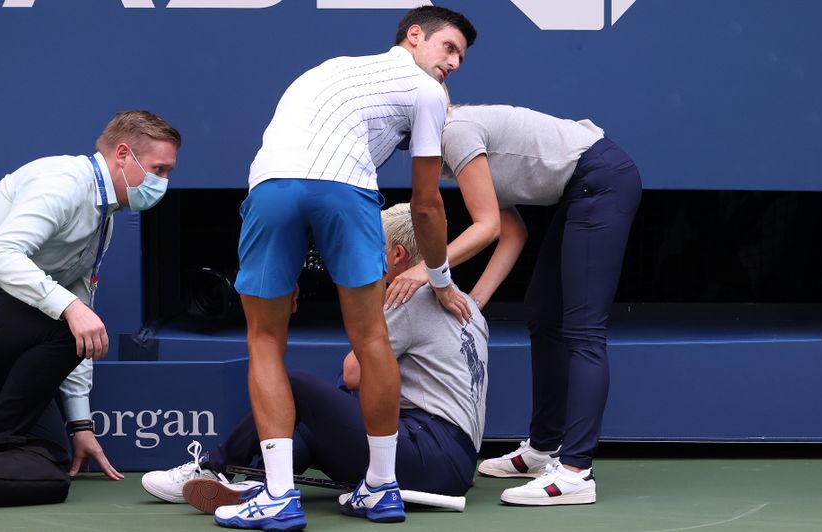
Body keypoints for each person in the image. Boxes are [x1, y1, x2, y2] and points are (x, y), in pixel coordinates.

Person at [218, 6, 477, 530]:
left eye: (460, 57)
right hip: (346, 190)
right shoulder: (428, 93)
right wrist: (441, 278)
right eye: (448, 48)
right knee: (372, 339)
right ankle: (381, 489)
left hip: (271, 188)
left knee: (265, 340)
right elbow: (427, 206)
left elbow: (295, 165)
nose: (452, 64)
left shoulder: (328, 68)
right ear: (414, 36)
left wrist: (285, 268)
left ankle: (276, 495)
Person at [141, 202, 488, 517]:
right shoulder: (469, 306)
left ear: (397, 256)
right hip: (454, 464)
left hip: (426, 452)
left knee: (295, 386)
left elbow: (352, 374)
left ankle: (216, 466)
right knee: (309, 426)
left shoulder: (408, 296)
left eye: (370, 248)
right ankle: (259, 481)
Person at [0, 110, 181, 484]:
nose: (163, 182)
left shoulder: (104, 219)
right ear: (124, 154)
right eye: (159, 170)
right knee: (67, 321)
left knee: (48, 450)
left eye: (167, 173)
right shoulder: (63, 182)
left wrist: (80, 423)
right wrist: (69, 306)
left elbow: (83, 323)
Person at [384, 103, 643, 506]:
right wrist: (473, 303)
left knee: (584, 330)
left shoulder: (456, 132)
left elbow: (487, 227)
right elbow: (513, 231)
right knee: (543, 311)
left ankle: (576, 471)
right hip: (585, 185)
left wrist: (428, 272)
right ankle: (544, 448)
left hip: (601, 179)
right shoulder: (448, 148)